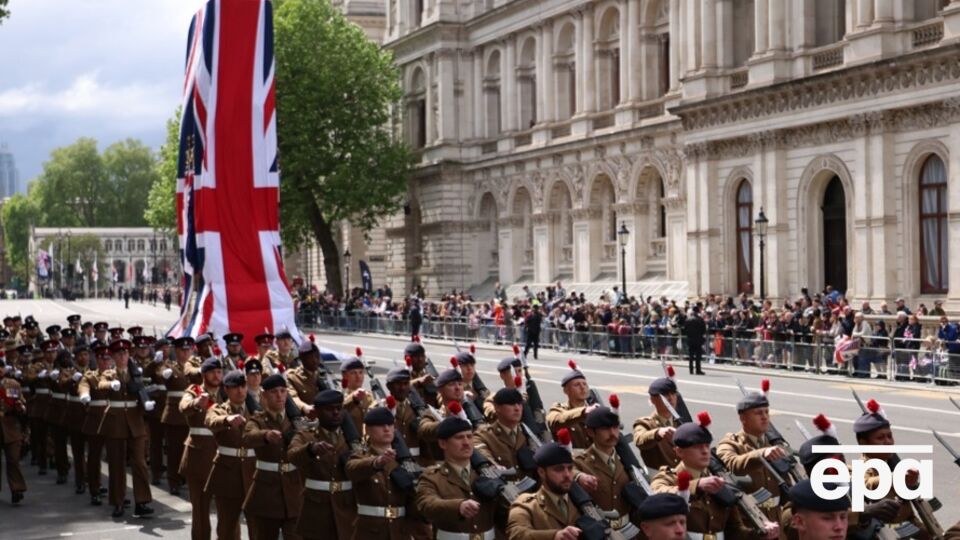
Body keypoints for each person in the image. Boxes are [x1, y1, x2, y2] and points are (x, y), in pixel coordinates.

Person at [651, 411, 780, 539]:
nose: (705, 451)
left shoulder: (721, 482)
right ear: (679, 452)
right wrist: (696, 485)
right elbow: (658, 494)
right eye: (697, 447)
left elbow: (735, 531)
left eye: (707, 446)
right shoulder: (668, 478)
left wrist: (759, 535)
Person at [715, 382, 788, 528]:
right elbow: (732, 464)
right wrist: (760, 454)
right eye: (758, 413)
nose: (765, 417)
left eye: (766, 412)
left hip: (776, 519)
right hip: (750, 523)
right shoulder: (731, 444)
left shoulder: (774, 443)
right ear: (743, 418)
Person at [97, 338, 154, 518]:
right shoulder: (110, 374)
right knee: (116, 464)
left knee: (140, 463)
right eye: (119, 354)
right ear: (113, 357)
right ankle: (118, 502)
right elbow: (101, 383)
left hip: (135, 422)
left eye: (125, 353)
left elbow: (143, 388)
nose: (123, 356)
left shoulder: (135, 372)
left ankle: (142, 501)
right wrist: (111, 385)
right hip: (116, 423)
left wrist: (147, 401)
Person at [289, 389, 355, 540]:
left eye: (339, 408)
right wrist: (311, 449)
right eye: (329, 409)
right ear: (317, 412)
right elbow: (292, 455)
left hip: (346, 507)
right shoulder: (306, 435)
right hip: (316, 509)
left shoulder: (351, 437)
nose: (336, 413)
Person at [415, 416, 497, 539]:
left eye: (469, 437)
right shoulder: (432, 477)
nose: (466, 443)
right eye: (459, 438)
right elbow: (427, 505)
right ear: (443, 443)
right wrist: (458, 506)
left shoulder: (487, 474)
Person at [242, 374, 303, 540]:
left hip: (293, 490)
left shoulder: (297, 422)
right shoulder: (258, 420)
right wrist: (266, 435)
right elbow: (247, 437)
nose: (279, 395)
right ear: (264, 395)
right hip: (266, 492)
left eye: (283, 391)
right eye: (274, 392)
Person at [345, 406, 417, 540]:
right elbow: (352, 469)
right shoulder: (361, 456)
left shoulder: (404, 460)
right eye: (380, 425)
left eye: (390, 424)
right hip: (370, 531)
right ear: (368, 430)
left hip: (400, 531)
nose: (387, 429)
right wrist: (377, 462)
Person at [205, 369, 257, 540]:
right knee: (227, 527)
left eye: (243, 386)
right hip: (228, 474)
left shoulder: (256, 409)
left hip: (254, 473)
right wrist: (227, 420)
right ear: (226, 390)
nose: (240, 390)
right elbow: (211, 421)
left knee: (258, 527)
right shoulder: (219, 409)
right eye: (235, 387)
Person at [180, 357, 224, 540]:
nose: (217, 375)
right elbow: (183, 406)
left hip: (223, 457)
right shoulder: (194, 391)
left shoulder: (227, 392)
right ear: (204, 374)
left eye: (219, 372)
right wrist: (197, 403)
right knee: (200, 509)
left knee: (227, 510)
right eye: (213, 372)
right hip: (198, 456)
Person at [573, 405, 636, 533]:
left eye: (615, 427)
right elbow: (567, 471)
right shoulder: (581, 462)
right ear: (590, 432)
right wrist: (579, 476)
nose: (612, 433)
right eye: (605, 429)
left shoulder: (626, 459)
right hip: (598, 531)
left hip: (628, 530)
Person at [506, 441, 582, 540]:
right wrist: (554, 536)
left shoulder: (582, 502)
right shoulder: (527, 505)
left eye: (570, 468)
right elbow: (517, 534)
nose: (567, 475)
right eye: (559, 469)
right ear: (542, 472)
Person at [79, 344, 112, 506]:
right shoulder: (90, 375)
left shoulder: (116, 375)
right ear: (97, 360)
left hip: (114, 421)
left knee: (116, 459)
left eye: (108, 359)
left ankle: (117, 492)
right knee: (94, 457)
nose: (105, 362)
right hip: (95, 421)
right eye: (102, 359)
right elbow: (83, 385)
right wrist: (84, 394)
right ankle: (95, 489)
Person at [160, 337, 194, 495]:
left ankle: (186, 477)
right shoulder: (169, 367)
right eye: (182, 350)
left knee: (191, 450)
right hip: (175, 415)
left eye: (188, 350)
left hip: (192, 414)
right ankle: (173, 481)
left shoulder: (195, 367)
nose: (185, 353)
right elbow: (158, 374)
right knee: (174, 451)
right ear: (176, 351)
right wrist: (164, 375)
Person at [546, 361, 599, 450]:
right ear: (566, 391)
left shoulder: (595, 410)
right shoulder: (559, 409)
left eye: (584, 384)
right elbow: (554, 421)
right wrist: (583, 412)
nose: (583, 387)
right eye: (576, 385)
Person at [632, 377, 681, 470]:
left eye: (673, 393)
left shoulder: (680, 422)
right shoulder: (645, 423)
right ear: (653, 399)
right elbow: (639, 439)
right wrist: (657, 433)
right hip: (660, 478)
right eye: (665, 395)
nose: (671, 398)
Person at [1, 359, 27, 504]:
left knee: (13, 459)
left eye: (1, 367)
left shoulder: (12, 384)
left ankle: (16, 489)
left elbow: (21, 402)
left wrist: (20, 407)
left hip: (10, 425)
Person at [684, 308, 707, 375]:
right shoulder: (700, 319)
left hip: (690, 339)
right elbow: (703, 330)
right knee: (698, 356)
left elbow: (685, 329)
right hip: (698, 339)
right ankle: (698, 370)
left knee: (691, 355)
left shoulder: (687, 319)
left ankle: (691, 370)